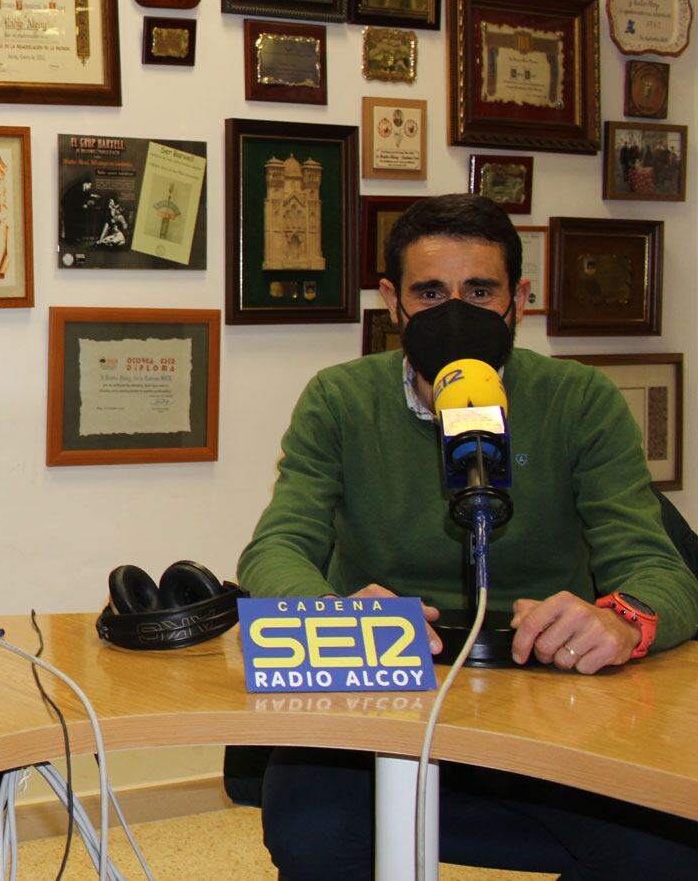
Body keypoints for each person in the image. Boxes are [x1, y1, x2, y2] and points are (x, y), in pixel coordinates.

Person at [238, 193, 698, 878]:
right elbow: (275, 548)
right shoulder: (339, 399)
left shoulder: (580, 400)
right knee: (311, 835)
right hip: (382, 691)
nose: (455, 314)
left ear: (520, 299)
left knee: (668, 852)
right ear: (392, 302)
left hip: (549, 696)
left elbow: (660, 571)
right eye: (430, 293)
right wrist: (329, 614)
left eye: (480, 291)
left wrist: (622, 622)